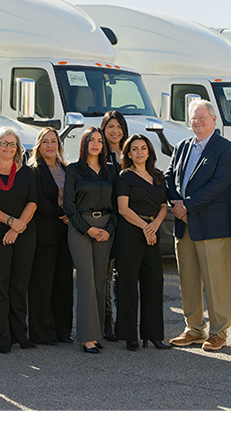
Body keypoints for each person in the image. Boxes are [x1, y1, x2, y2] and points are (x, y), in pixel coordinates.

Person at [165, 100, 231, 352]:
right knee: (188, 280)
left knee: (216, 281)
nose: (197, 123)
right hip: (184, 224)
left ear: (213, 120)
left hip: (213, 226)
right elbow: (168, 176)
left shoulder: (227, 150)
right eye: (193, 119)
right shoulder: (181, 146)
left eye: (202, 118)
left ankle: (219, 332)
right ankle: (194, 329)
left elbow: (219, 185)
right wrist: (176, 204)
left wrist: (187, 205)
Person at [0, 127, 39, 354]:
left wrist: (17, 226)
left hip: (24, 234)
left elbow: (32, 202)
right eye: (4, 143)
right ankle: (2, 336)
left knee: (19, 285)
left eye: (13, 144)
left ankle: (20, 334)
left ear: (18, 148)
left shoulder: (27, 173)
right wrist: (11, 222)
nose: (9, 147)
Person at [64, 127, 118, 354]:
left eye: (99, 140)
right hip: (80, 228)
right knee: (85, 279)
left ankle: (96, 334)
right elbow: (69, 205)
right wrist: (88, 229)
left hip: (106, 229)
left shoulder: (112, 171)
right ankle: (86, 337)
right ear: (84, 143)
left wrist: (107, 228)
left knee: (99, 281)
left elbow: (117, 205)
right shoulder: (74, 170)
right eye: (91, 140)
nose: (96, 144)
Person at [115, 134, 171, 351]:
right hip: (131, 231)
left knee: (154, 283)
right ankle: (130, 336)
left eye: (143, 148)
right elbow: (123, 209)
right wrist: (144, 227)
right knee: (128, 284)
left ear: (149, 151)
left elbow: (163, 205)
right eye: (135, 149)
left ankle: (154, 335)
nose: (140, 152)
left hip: (152, 232)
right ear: (128, 153)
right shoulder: (125, 176)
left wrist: (154, 225)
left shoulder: (158, 176)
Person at [28, 127, 75, 345]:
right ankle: (41, 332)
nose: (50, 145)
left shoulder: (66, 168)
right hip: (44, 232)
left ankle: (62, 330)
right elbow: (38, 201)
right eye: (45, 141)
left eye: (53, 141)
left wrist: (71, 216)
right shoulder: (34, 170)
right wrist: (64, 214)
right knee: (42, 284)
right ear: (39, 145)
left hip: (66, 233)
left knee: (63, 282)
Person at [99, 110, 129, 342]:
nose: (115, 131)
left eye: (118, 126)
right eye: (110, 126)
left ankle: (124, 322)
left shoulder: (132, 152)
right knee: (105, 275)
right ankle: (106, 322)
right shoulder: (98, 153)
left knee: (124, 276)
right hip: (107, 221)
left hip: (129, 222)